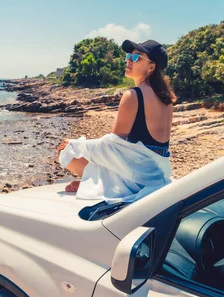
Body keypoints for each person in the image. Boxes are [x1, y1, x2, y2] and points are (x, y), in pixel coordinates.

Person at [58, 39, 177, 193]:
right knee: (91, 155)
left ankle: (95, 183)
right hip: (160, 173)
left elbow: (112, 146)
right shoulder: (168, 98)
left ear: (151, 67)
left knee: (65, 151)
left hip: (140, 178)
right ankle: (93, 181)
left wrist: (76, 145)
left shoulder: (133, 95)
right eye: (129, 55)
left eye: (136, 57)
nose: (128, 59)